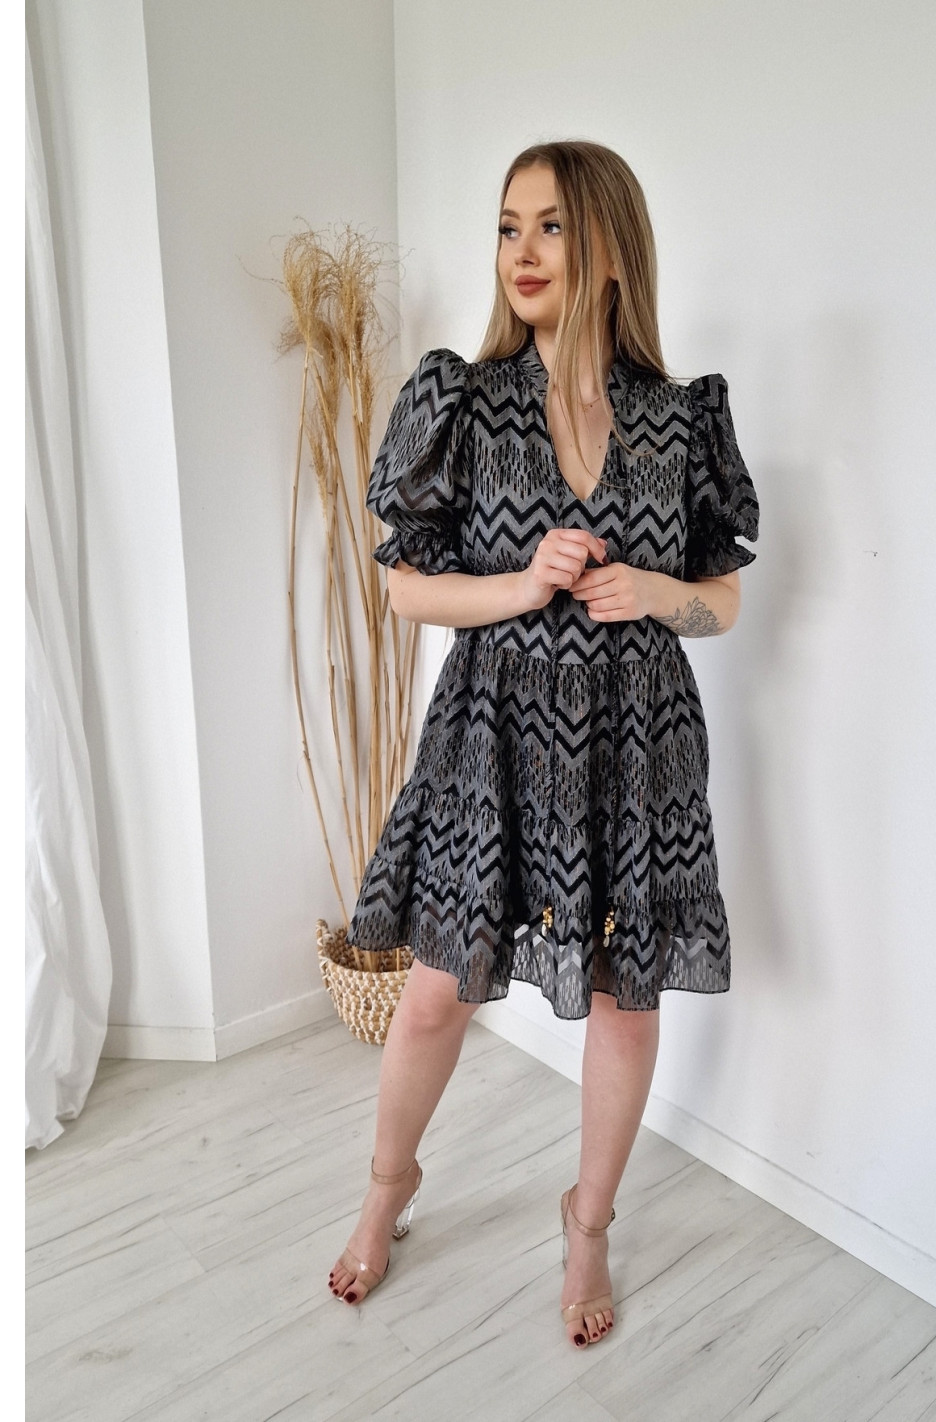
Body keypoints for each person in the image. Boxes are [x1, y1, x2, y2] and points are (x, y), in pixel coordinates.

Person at [327, 140, 759, 1350]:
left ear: (610, 247)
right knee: (431, 997)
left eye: (551, 226)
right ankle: (387, 1188)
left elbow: (723, 601)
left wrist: (656, 593)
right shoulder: (461, 401)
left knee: (626, 1000)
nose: (521, 252)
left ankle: (588, 1223)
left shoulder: (679, 419)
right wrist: (523, 583)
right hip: (491, 741)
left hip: (638, 747)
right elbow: (405, 589)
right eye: (507, 227)